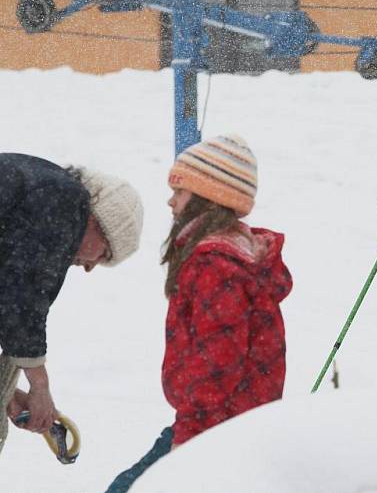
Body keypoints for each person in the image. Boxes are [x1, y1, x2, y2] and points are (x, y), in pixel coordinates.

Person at [105, 134, 291, 493]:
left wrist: (187, 439)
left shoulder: (215, 265)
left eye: (180, 192)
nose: (170, 202)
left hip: (215, 428)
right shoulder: (231, 255)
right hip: (230, 423)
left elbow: (216, 367)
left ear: (208, 199)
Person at [0, 153, 143, 455]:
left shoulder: (37, 189)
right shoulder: (64, 202)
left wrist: (9, 395)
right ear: (100, 222)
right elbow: (22, 303)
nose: (90, 266)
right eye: (104, 255)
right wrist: (40, 387)